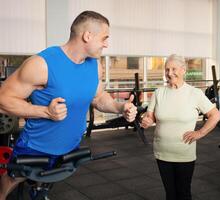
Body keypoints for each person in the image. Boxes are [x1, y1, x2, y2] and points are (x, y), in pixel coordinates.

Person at [0, 11, 137, 200]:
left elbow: (98, 98)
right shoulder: (42, 64)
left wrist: (120, 107)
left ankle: (37, 190)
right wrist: (45, 111)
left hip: (70, 145)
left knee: (47, 181)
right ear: (87, 36)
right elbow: (3, 99)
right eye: (105, 38)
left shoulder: (95, 65)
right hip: (36, 147)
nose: (107, 44)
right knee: (12, 180)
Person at [141, 54, 220, 200]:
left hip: (184, 153)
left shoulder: (194, 93)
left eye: (173, 69)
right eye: (166, 69)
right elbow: (150, 117)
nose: (169, 73)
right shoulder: (159, 93)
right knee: (170, 194)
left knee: (183, 193)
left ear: (183, 70)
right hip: (162, 152)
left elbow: (215, 115)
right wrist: (146, 121)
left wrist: (200, 132)